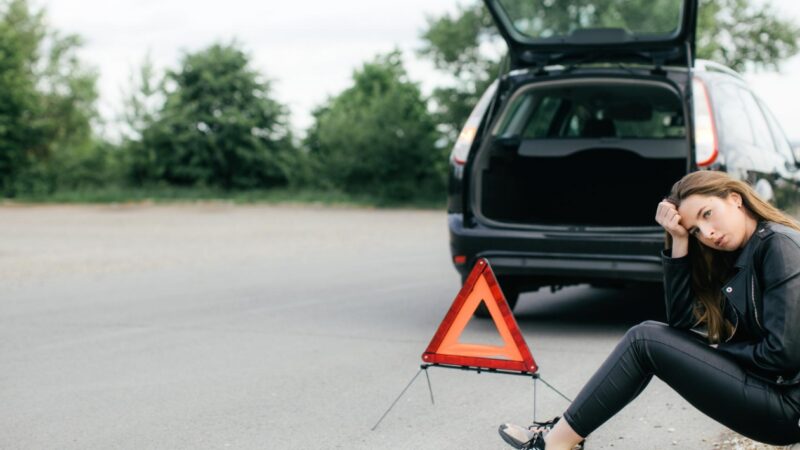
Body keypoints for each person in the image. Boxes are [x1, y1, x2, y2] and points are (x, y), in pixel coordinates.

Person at [498, 171, 800, 450]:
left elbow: (782, 354)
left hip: (789, 407)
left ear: (735, 199)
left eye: (708, 214)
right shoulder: (739, 254)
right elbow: (681, 324)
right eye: (695, 230)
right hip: (774, 393)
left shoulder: (780, 247)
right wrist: (679, 240)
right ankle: (560, 439)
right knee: (647, 338)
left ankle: (554, 444)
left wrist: (717, 348)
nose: (707, 233)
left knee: (644, 340)